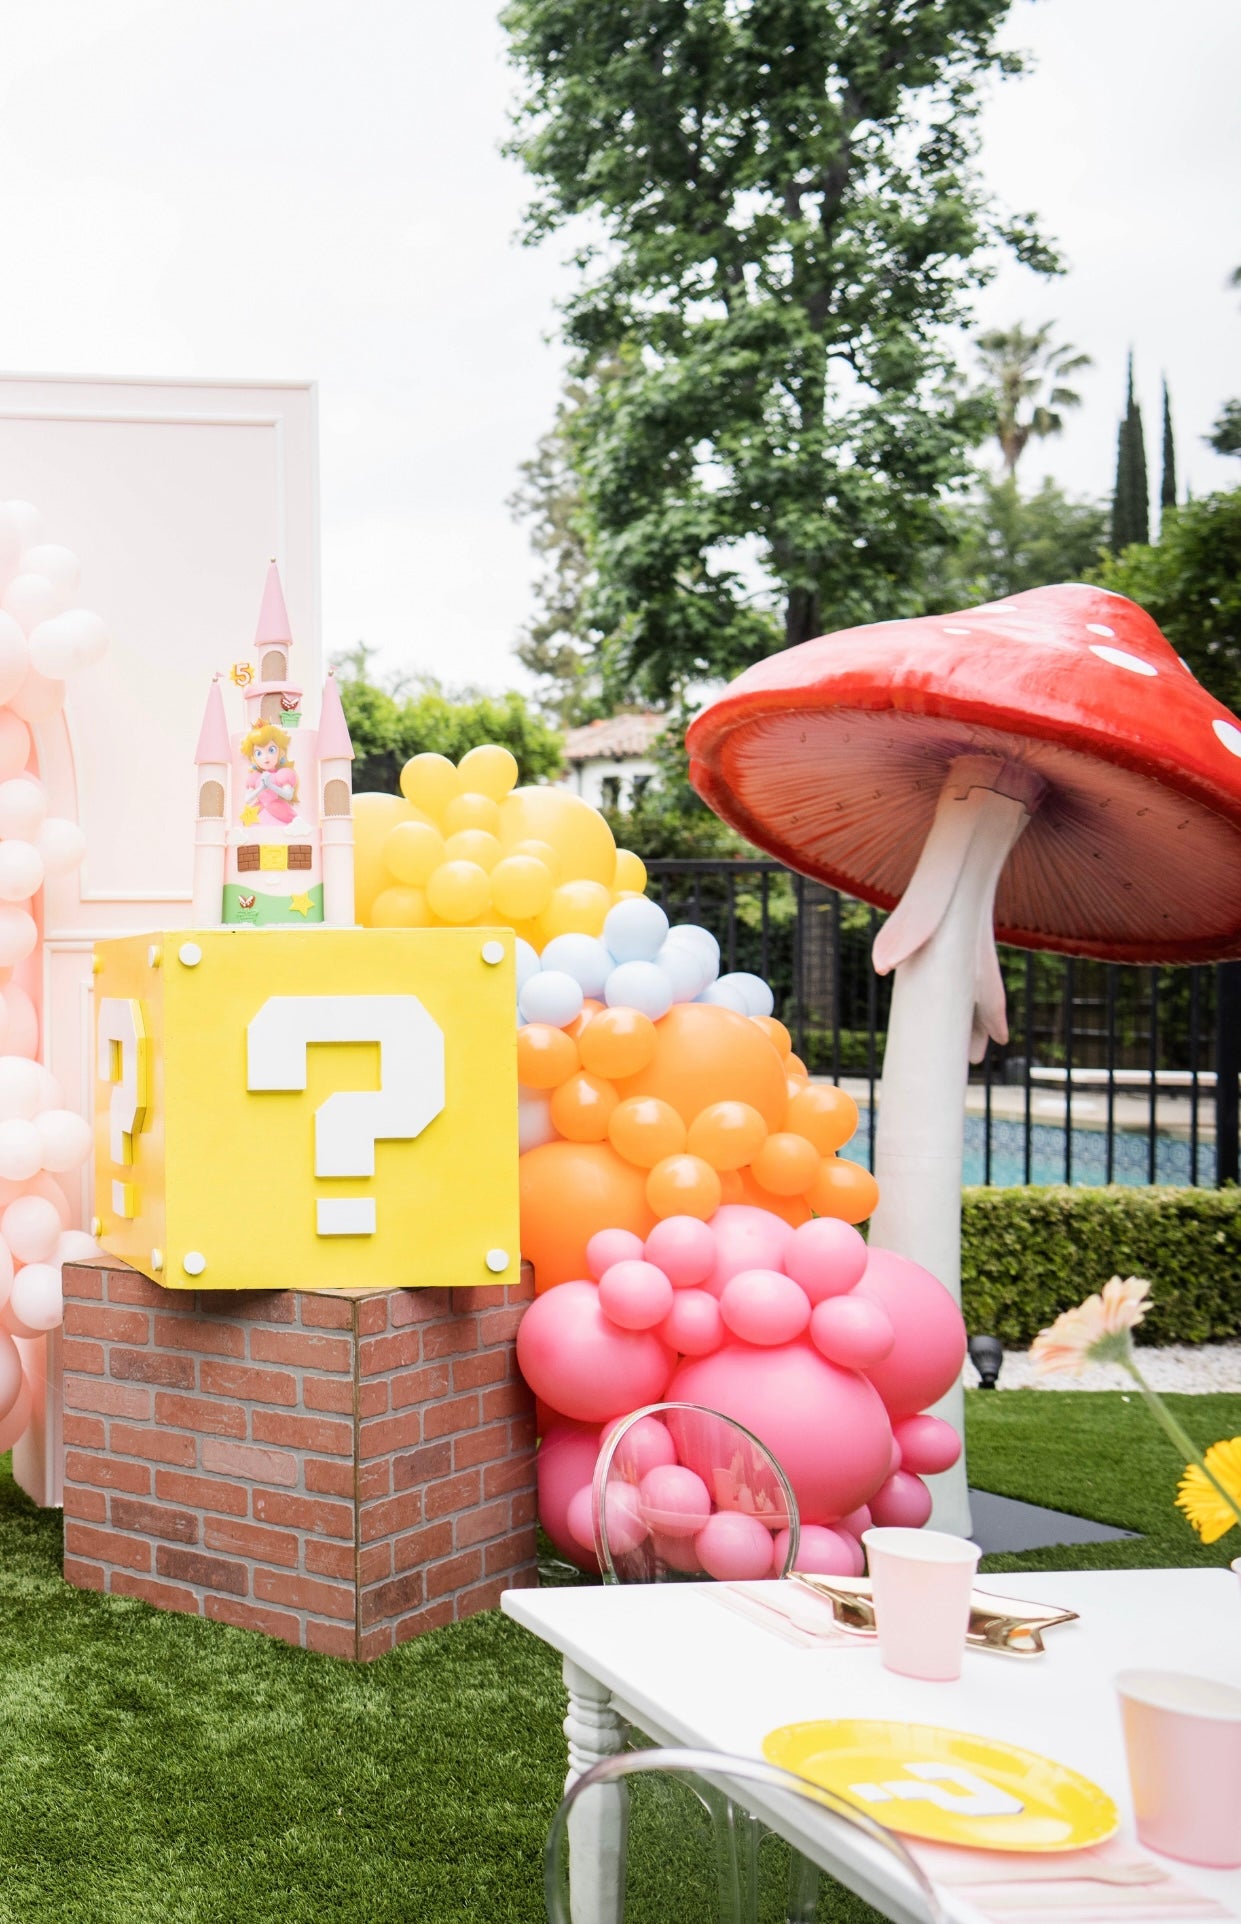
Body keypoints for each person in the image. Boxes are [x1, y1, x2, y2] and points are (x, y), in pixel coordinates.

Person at [241, 723, 302, 826]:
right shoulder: (255, 777)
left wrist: (271, 785)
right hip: (258, 811)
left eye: (271, 750)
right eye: (259, 753)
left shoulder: (282, 775)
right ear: (253, 757)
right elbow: (247, 799)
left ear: (280, 751)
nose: (265, 757)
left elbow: (288, 795)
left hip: (278, 809)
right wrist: (261, 788)